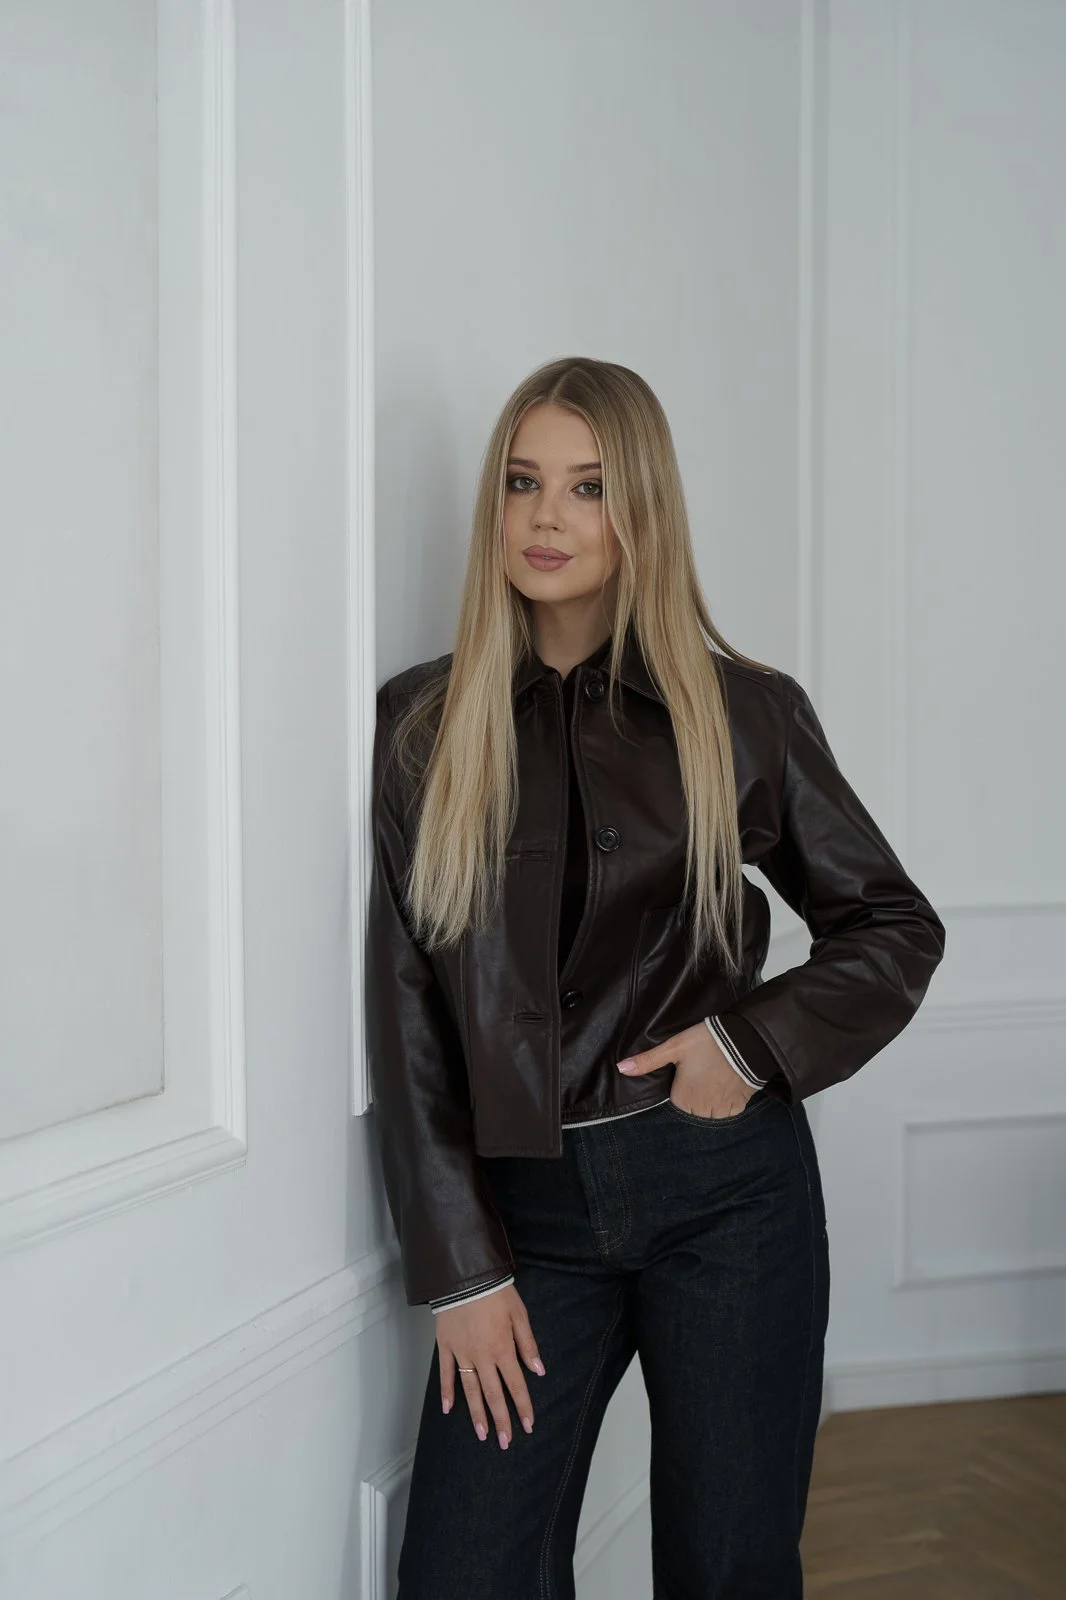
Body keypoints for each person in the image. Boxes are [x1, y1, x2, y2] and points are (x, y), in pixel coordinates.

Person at [365, 356, 946, 1599]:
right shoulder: (421, 725)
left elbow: (891, 925)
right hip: (528, 1223)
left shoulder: (744, 713)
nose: (545, 518)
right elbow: (409, 1007)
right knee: (466, 1572)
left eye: (586, 487)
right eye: (523, 483)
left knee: (728, 1564)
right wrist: (460, 1268)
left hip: (726, 1194)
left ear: (641, 511)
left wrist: (746, 1048)